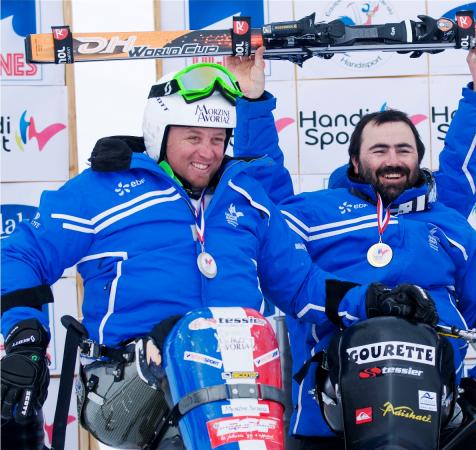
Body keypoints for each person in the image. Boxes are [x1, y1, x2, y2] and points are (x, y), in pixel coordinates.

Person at [0, 49, 371, 449]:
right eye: (193, 137)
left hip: (240, 379)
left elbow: (302, 287)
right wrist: (25, 335)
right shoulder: (102, 191)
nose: (207, 152)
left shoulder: (245, 197)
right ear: (160, 133)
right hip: (133, 383)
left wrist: (376, 300)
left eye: (217, 139)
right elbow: (19, 255)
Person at [254, 45, 476, 449]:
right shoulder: (311, 212)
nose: (392, 159)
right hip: (332, 419)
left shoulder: (444, 221)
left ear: (418, 158)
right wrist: (253, 100)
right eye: (379, 150)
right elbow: (264, 181)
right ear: (355, 160)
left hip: (435, 418)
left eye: (404, 150)